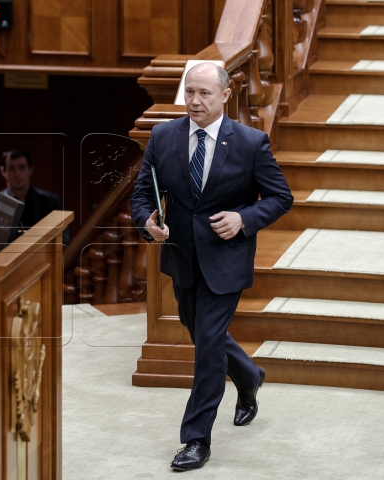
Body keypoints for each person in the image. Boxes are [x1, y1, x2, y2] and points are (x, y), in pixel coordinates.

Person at [130, 63, 293, 471]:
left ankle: (196, 439)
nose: (195, 101)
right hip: (181, 256)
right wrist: (147, 221)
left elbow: (280, 198)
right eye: (190, 92)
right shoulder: (164, 135)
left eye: (204, 93)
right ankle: (249, 374)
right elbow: (140, 193)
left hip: (226, 258)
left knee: (206, 348)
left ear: (225, 96)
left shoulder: (251, 143)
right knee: (199, 328)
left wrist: (244, 219)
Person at [0, 148, 70, 244]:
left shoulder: (51, 202)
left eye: (22, 167)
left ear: (30, 169)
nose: (18, 174)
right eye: (12, 168)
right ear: (3, 171)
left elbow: (64, 238)